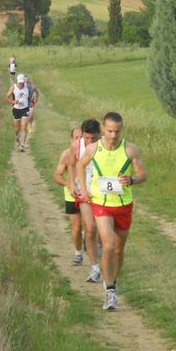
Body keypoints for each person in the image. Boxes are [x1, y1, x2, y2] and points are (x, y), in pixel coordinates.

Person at [76, 112, 147, 310]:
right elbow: (80, 165)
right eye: (109, 131)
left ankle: (112, 282)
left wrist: (132, 180)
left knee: (118, 249)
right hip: (101, 203)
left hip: (123, 204)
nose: (113, 135)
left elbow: (143, 174)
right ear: (103, 130)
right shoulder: (93, 149)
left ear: (121, 130)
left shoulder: (129, 150)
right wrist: (84, 189)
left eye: (117, 131)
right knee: (108, 245)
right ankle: (110, 291)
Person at [69, 119, 102, 283]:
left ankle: (99, 250)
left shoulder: (107, 145)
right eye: (86, 138)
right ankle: (95, 268)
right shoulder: (77, 145)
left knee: (103, 232)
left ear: (99, 134)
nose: (89, 142)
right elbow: (72, 164)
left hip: (103, 192)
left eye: (93, 139)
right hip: (85, 190)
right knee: (90, 228)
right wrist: (71, 183)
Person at [54, 127, 84, 266]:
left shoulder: (91, 153)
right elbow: (57, 175)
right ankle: (78, 253)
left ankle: (89, 241)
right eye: (76, 138)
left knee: (91, 227)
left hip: (89, 194)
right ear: (71, 139)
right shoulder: (66, 155)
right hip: (72, 195)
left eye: (81, 138)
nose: (79, 141)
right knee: (77, 226)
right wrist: (68, 184)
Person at [5, 74, 30, 152]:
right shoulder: (13, 87)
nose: (21, 84)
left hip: (25, 108)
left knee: (24, 126)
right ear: (17, 82)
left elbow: (33, 88)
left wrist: (33, 100)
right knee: (17, 128)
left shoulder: (27, 86)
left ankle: (22, 145)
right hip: (16, 109)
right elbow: (6, 98)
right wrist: (13, 101)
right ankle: (16, 136)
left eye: (22, 83)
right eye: (19, 83)